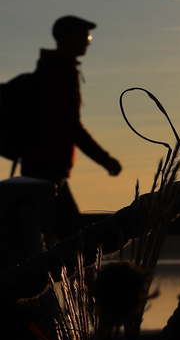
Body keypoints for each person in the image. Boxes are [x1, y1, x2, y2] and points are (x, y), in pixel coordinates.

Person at [20, 15, 122, 238]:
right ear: (68, 39)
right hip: (47, 168)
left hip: (39, 166)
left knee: (54, 234)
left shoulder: (48, 70)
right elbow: (71, 126)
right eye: (85, 36)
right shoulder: (61, 73)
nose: (88, 41)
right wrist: (105, 159)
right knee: (71, 236)